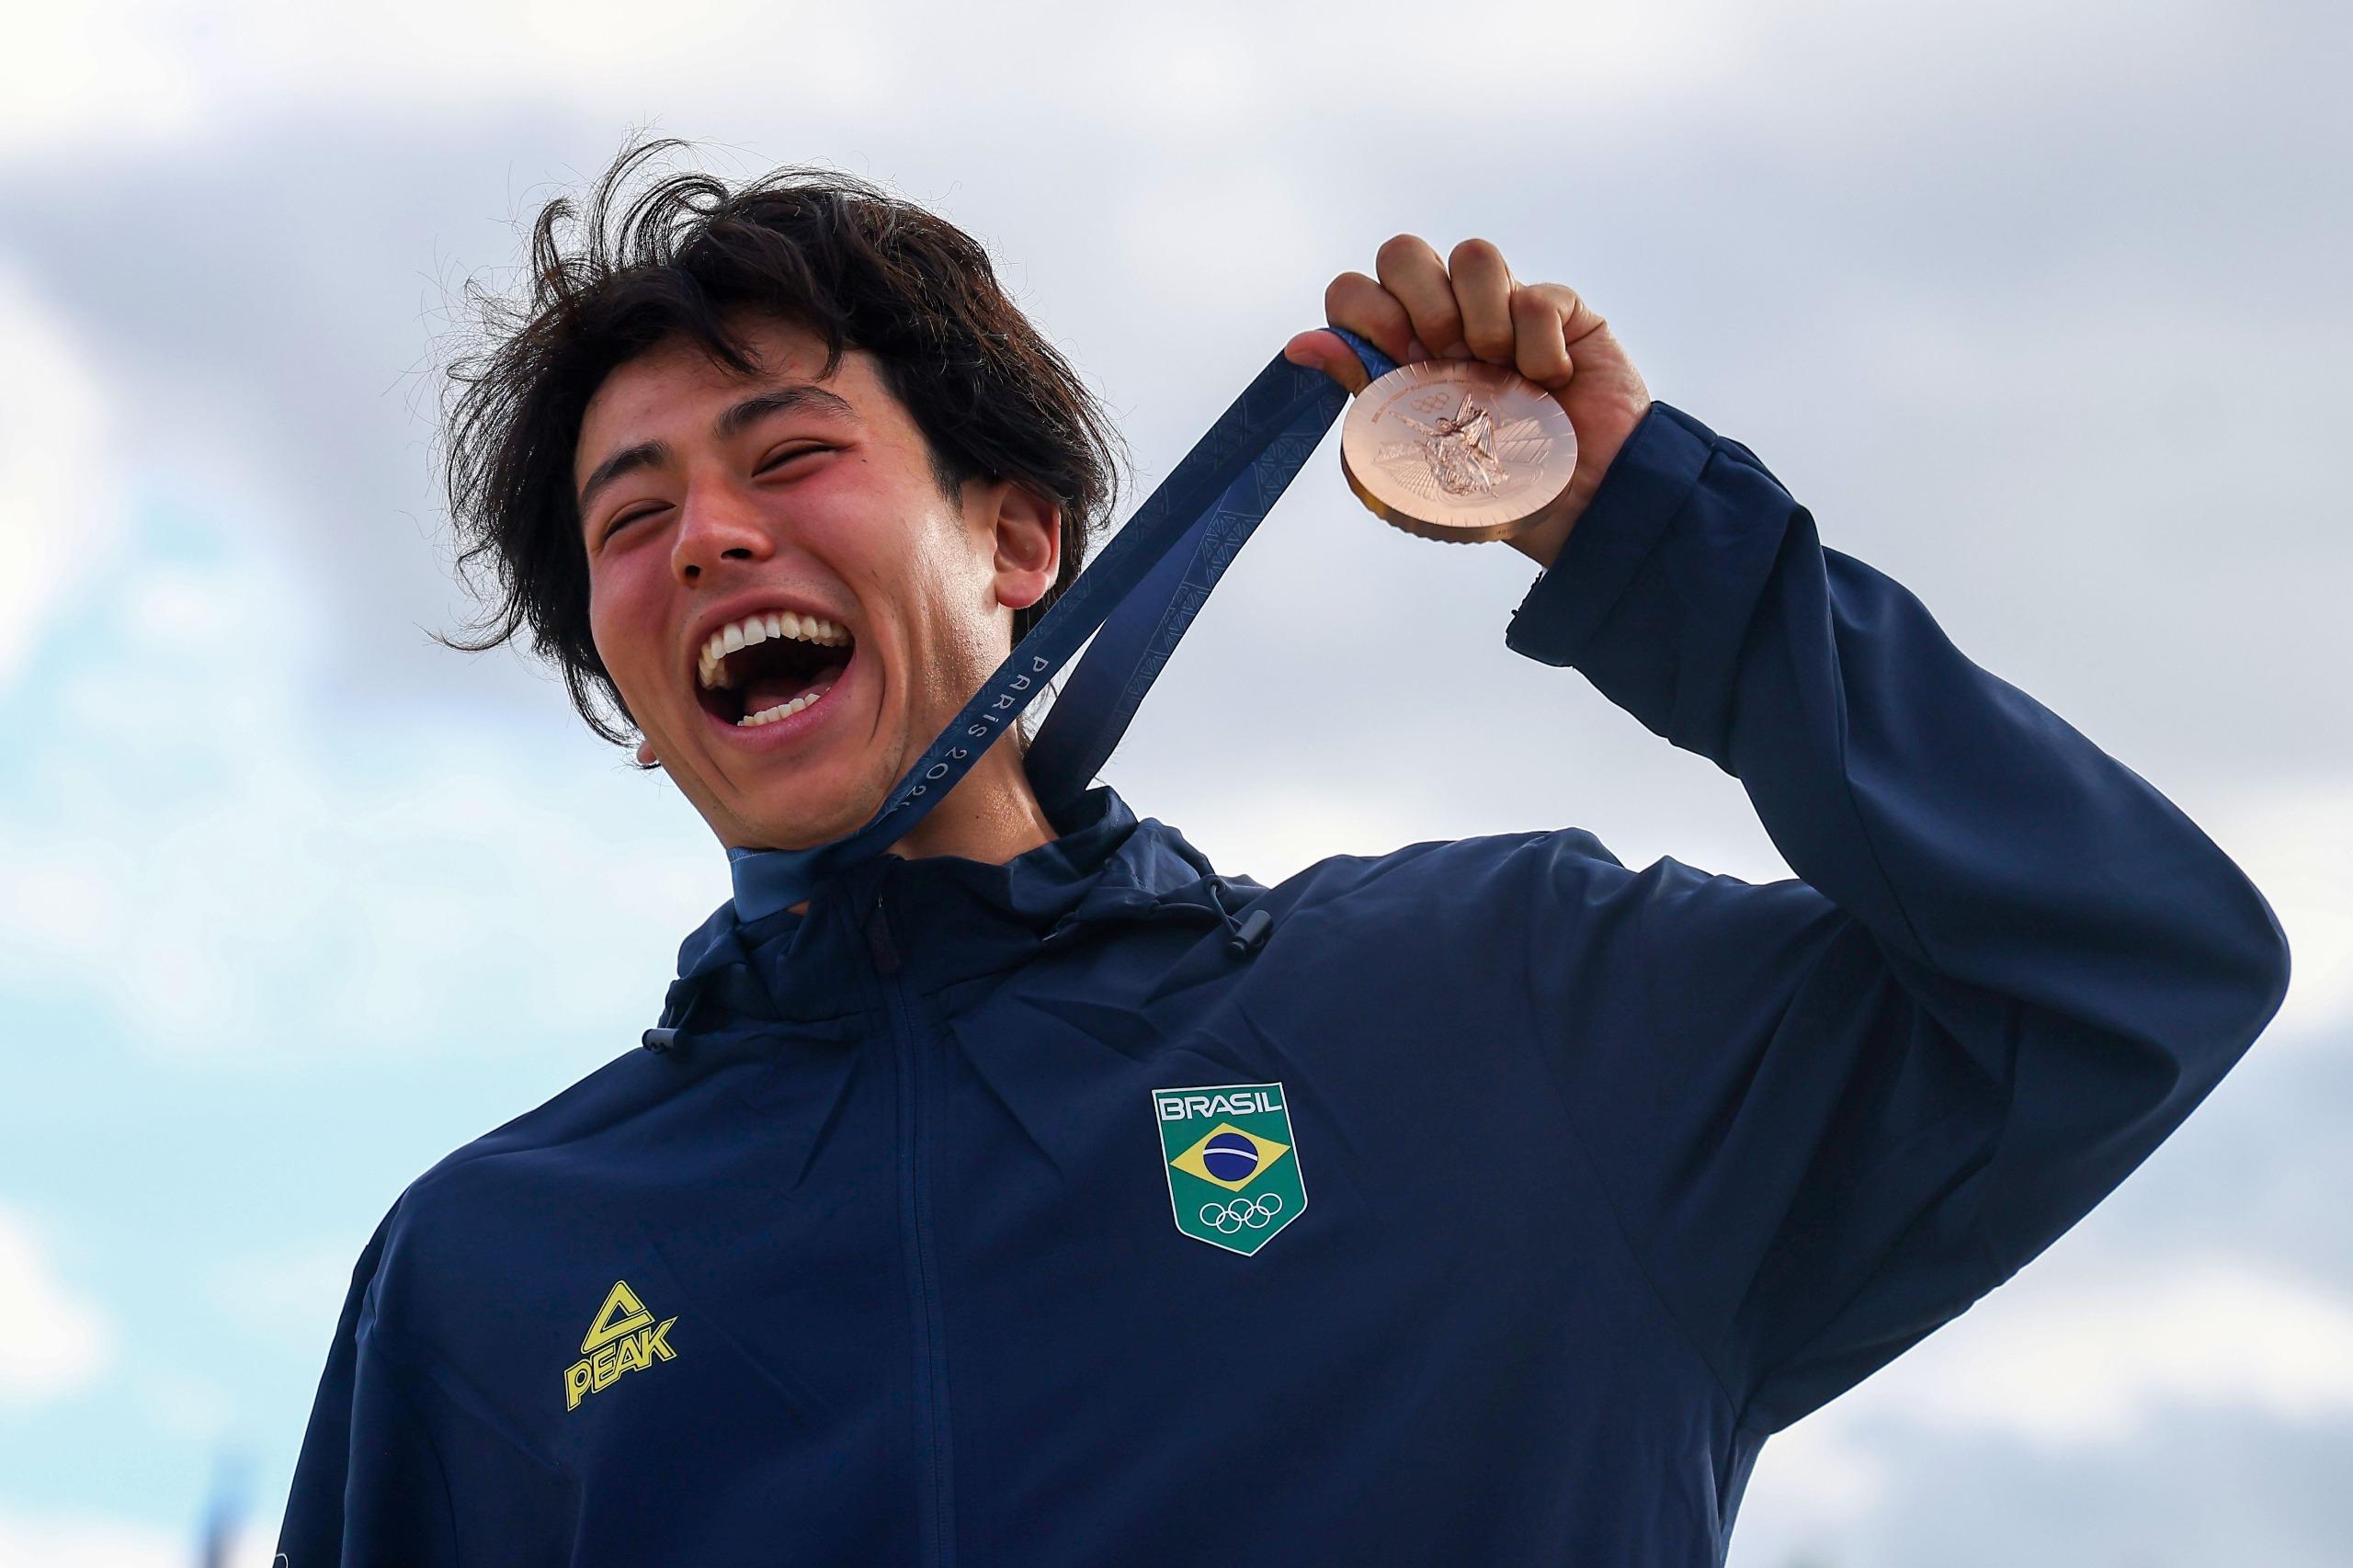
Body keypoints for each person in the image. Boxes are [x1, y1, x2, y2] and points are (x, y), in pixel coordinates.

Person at [276, 135, 2291, 1566]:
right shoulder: (485, 1273)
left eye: (790, 454)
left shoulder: (1510, 1014)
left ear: (1014, 542)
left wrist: (1651, 540)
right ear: (624, 674)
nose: (707, 534)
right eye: (632, 520)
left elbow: (2122, 966)